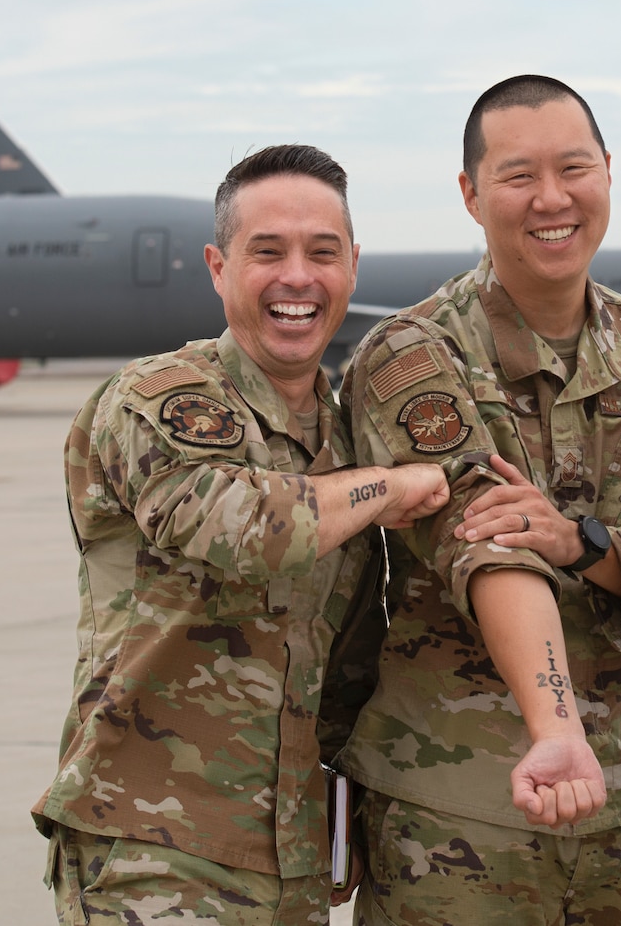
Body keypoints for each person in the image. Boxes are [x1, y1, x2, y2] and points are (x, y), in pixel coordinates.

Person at [334, 75, 621, 926]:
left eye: (574, 168)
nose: (551, 199)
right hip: (460, 814)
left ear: (609, 172)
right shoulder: (412, 352)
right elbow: (486, 540)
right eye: (518, 176)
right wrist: (558, 715)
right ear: (471, 194)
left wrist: (586, 546)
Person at [33, 144, 451, 926]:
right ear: (218, 266)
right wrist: (388, 486)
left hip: (292, 854)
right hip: (155, 848)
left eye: (322, 253)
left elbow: (351, 659)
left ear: (353, 266)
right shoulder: (160, 397)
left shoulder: (347, 433)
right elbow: (239, 524)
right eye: (268, 252)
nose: (298, 277)